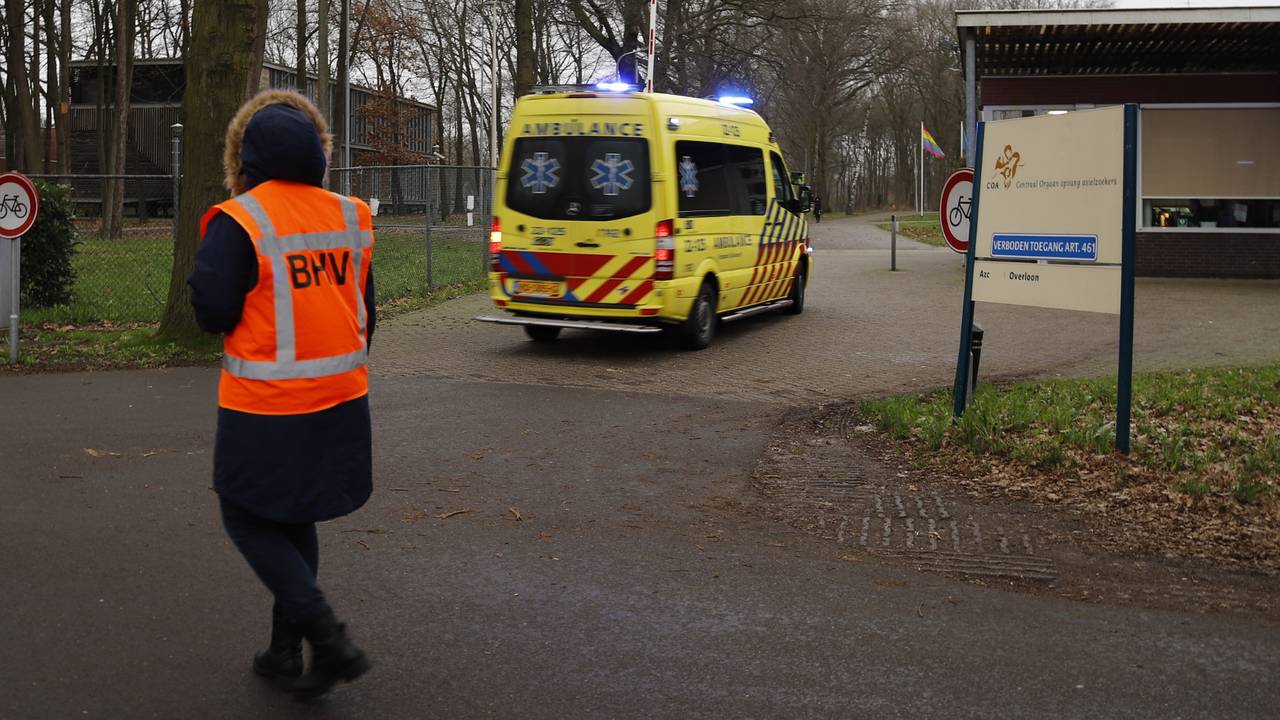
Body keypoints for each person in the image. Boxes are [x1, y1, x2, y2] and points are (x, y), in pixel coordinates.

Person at [188, 89, 376, 700]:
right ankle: (284, 649)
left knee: (245, 513)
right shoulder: (349, 215)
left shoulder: (242, 218)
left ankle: (326, 636)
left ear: (246, 158)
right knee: (294, 516)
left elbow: (211, 312)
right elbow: (366, 312)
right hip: (342, 398)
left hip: (266, 406)